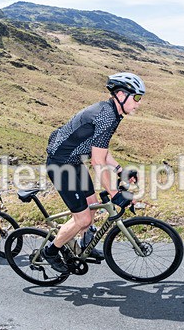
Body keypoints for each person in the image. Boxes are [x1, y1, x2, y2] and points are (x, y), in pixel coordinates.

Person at [42, 72, 143, 272]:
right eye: (137, 97)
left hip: (75, 162)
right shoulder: (107, 116)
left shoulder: (112, 113)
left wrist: (120, 170)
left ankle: (84, 243)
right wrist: (115, 194)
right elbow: (97, 162)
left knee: (93, 203)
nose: (138, 103)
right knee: (84, 218)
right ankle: (51, 251)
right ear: (121, 95)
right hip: (61, 165)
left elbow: (101, 152)